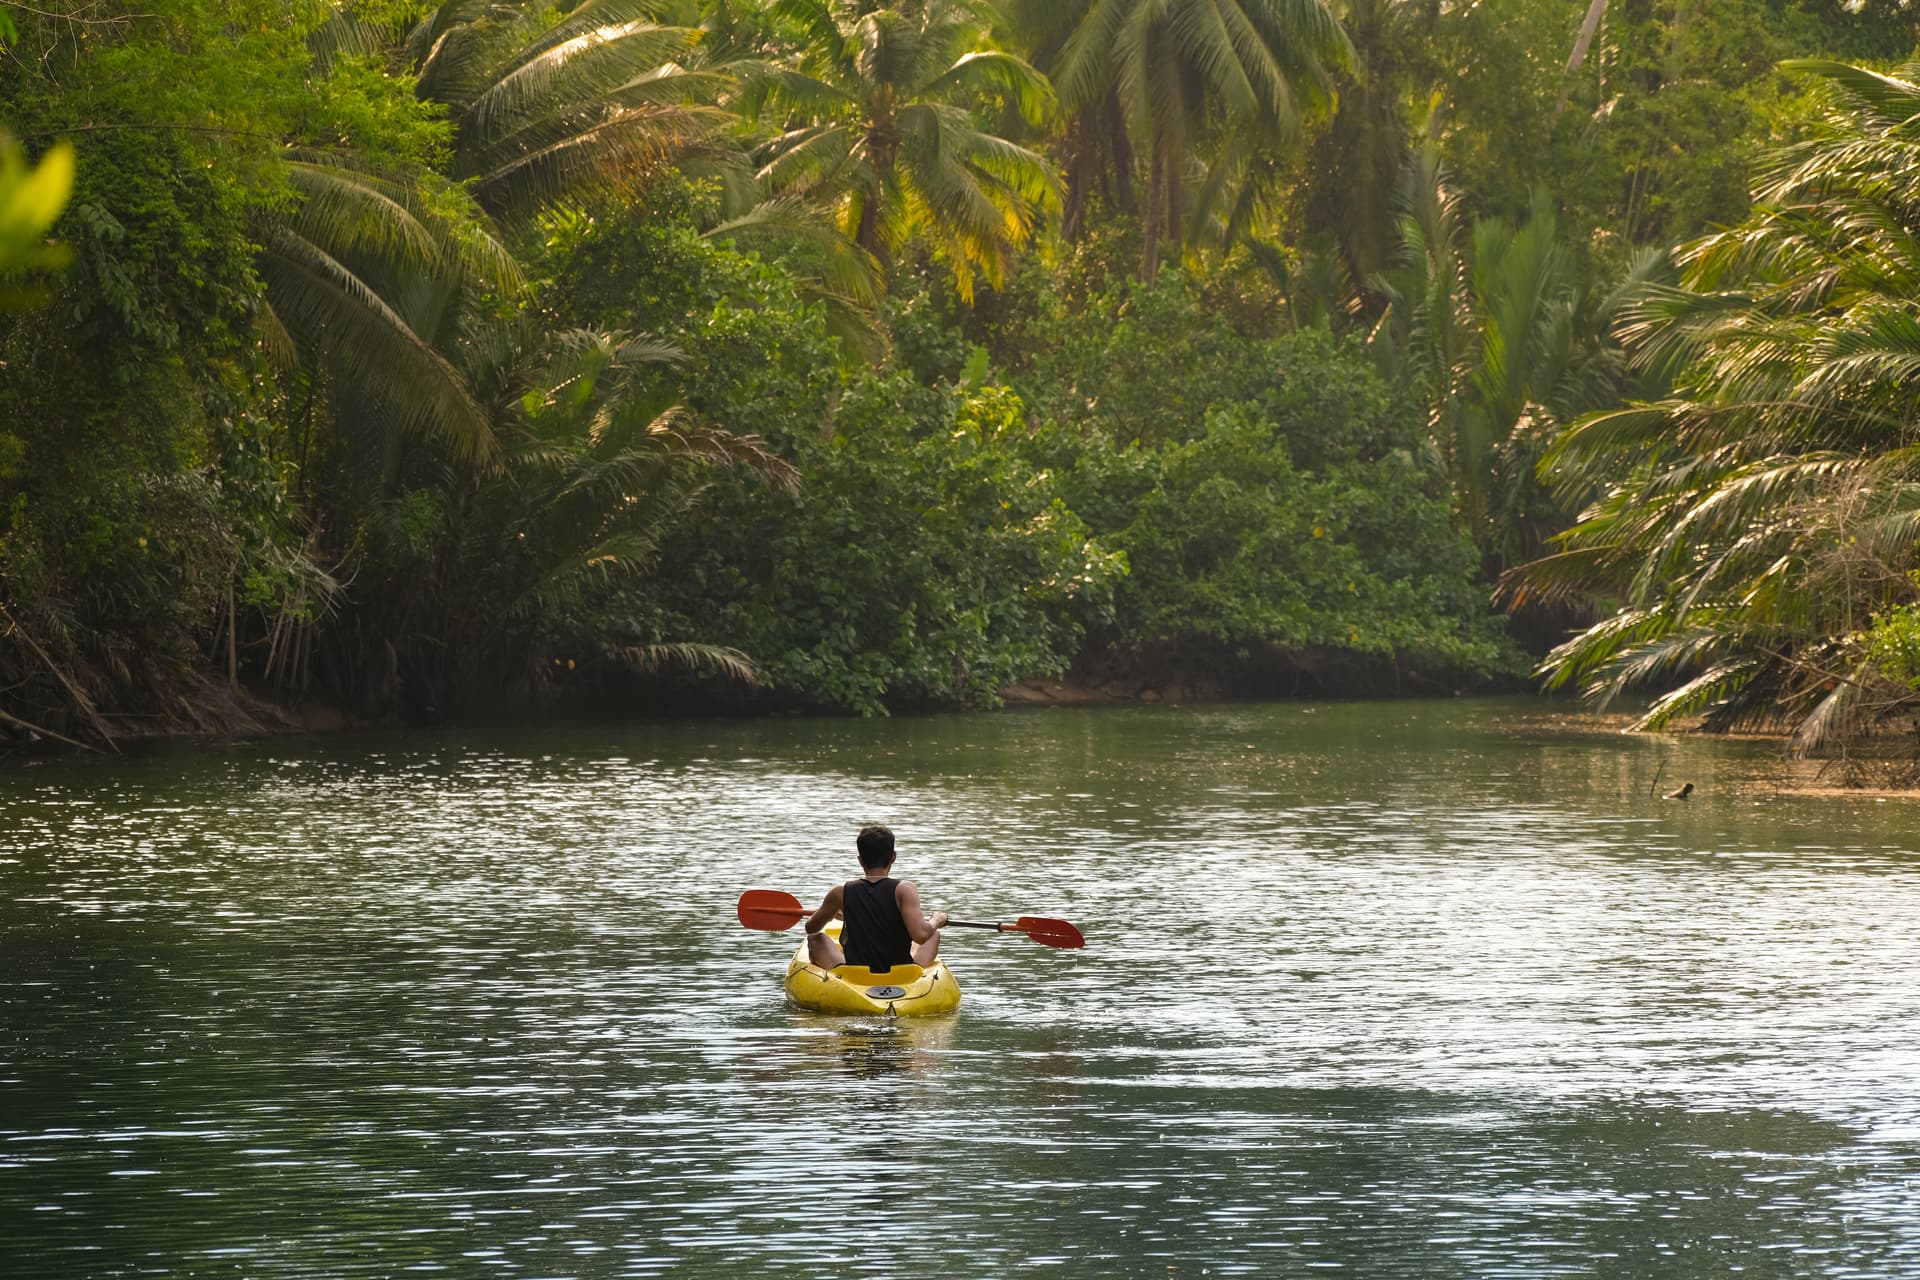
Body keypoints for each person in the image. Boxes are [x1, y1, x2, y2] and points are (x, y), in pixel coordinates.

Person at [804, 825, 948, 972]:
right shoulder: (904, 889)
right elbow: (921, 935)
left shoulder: (840, 892)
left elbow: (811, 928)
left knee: (816, 939)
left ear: (860, 860)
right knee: (933, 934)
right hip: (901, 972)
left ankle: (840, 974)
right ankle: (915, 973)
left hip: (855, 972)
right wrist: (936, 920)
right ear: (893, 857)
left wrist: (830, 914)